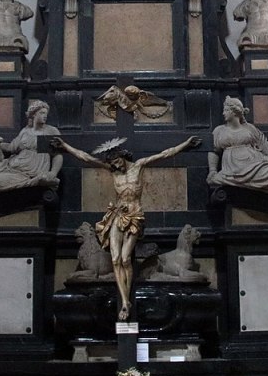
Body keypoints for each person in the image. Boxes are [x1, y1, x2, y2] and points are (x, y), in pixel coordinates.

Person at [52, 135, 201, 320]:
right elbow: (86, 158)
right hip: (117, 215)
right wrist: (65, 146)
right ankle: (125, 302)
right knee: (115, 259)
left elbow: (165, 154)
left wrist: (186, 144)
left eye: (118, 162)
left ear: (123, 157)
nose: (116, 166)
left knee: (125, 259)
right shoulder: (113, 171)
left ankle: (126, 299)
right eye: (113, 164)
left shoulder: (139, 166)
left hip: (134, 216)